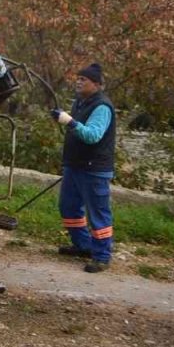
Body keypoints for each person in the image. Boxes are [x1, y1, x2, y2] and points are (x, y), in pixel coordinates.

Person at [54, 62, 116, 273]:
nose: (78, 82)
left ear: (97, 84)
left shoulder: (102, 107)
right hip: (75, 166)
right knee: (68, 207)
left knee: (98, 214)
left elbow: (93, 135)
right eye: (78, 78)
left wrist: (70, 122)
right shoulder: (81, 102)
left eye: (84, 80)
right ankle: (83, 246)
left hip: (94, 169)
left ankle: (102, 257)